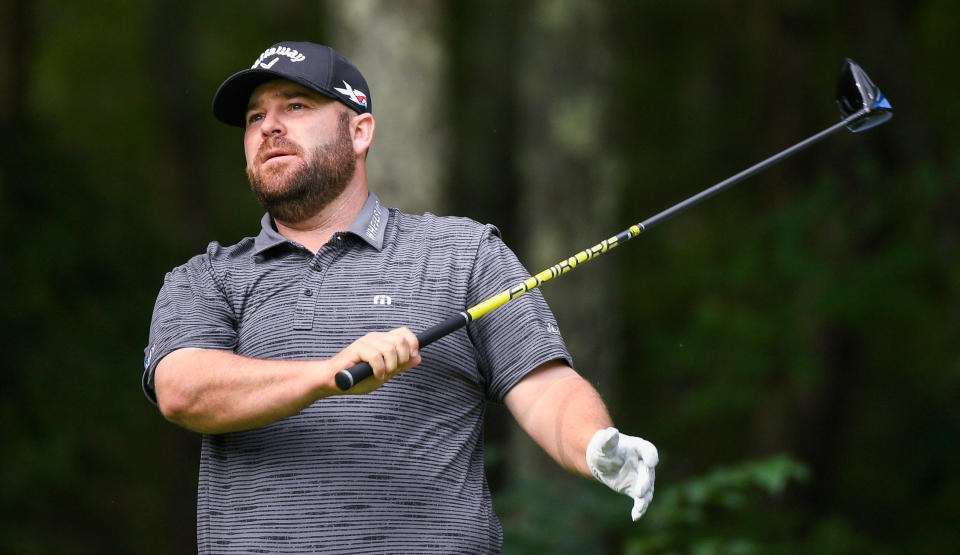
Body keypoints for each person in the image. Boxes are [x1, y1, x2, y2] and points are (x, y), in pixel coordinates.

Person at [143, 40, 658, 553]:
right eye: (255, 117)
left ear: (360, 130)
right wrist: (328, 374)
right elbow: (184, 390)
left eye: (295, 106)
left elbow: (546, 389)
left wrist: (593, 443)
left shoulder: (462, 252)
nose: (269, 127)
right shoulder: (206, 277)